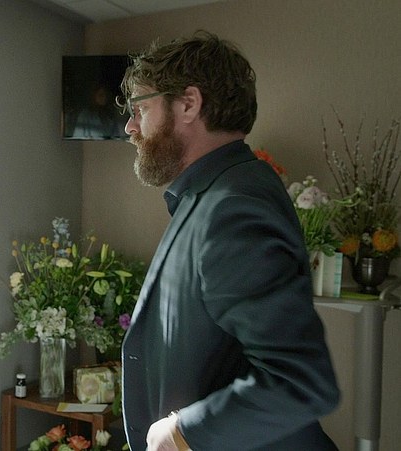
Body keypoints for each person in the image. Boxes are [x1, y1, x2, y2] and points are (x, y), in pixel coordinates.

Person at [118, 31, 340, 450]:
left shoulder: (235, 205)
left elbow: (298, 381)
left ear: (188, 104)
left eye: (140, 108)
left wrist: (184, 431)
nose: (131, 126)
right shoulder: (214, 193)